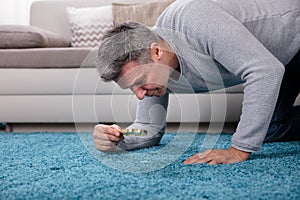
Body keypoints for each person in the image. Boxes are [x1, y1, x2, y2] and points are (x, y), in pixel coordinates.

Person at [93, 0, 300, 165]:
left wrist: (238, 150)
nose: (139, 95)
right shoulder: (155, 70)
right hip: (277, 57)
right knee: (271, 128)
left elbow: (266, 71)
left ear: (156, 52)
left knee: (251, 135)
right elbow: (149, 127)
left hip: (294, 32)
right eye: (131, 88)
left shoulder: (195, 20)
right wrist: (120, 139)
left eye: (139, 82)